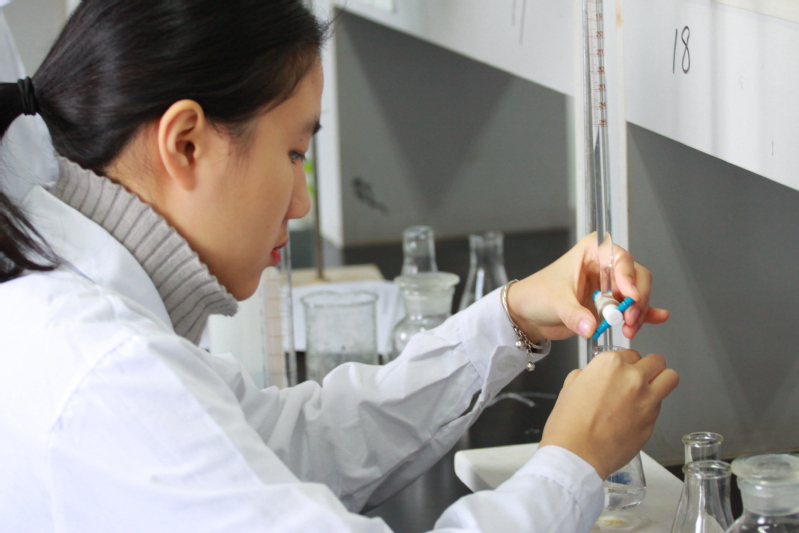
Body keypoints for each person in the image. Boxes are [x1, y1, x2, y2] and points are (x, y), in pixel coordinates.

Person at [0, 1, 678, 531]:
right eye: (294, 154)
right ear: (186, 144)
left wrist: (511, 318)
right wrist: (571, 460)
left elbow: (296, 445)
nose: (300, 203)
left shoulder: (75, 306)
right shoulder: (112, 376)